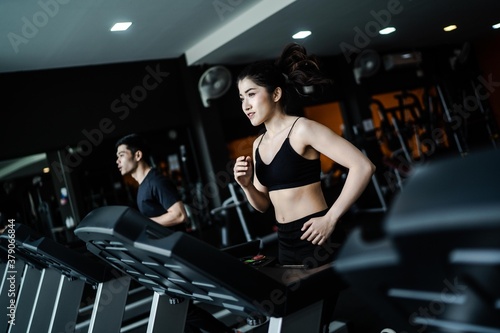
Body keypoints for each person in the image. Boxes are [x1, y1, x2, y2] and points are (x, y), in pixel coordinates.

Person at [233, 43, 376, 332]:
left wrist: (330, 218)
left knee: (314, 321)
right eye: (241, 98)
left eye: (251, 94)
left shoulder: (303, 130)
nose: (245, 104)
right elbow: (263, 205)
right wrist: (246, 185)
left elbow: (363, 166)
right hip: (285, 243)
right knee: (299, 324)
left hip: (317, 237)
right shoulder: (258, 144)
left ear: (275, 94)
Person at [115, 133, 233, 333]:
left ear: (137, 155)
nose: (117, 161)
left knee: (183, 310)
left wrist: (142, 224)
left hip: (175, 255)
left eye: (121, 155)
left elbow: (179, 215)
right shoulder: (142, 187)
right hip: (162, 258)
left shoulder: (156, 181)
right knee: (180, 313)